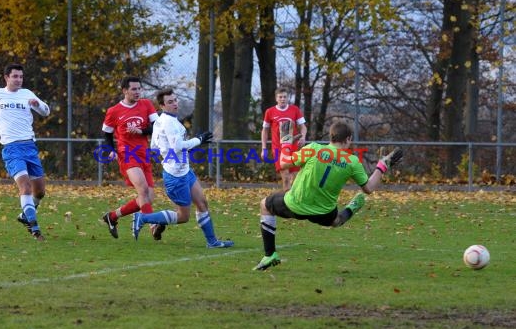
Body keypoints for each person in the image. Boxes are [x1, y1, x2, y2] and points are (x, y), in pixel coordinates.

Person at [253, 121, 403, 270]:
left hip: (296, 204)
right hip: (323, 212)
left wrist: (286, 143)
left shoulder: (313, 148)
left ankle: (270, 254)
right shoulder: (352, 162)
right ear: (348, 139)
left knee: (265, 205)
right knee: (336, 221)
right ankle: (351, 207)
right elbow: (368, 188)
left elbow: (284, 162)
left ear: (331, 137)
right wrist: (382, 166)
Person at [129, 88, 234, 248]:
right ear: (162, 106)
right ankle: (143, 218)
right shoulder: (169, 122)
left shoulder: (162, 120)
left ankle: (212, 242)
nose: (175, 104)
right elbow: (177, 146)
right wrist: (198, 140)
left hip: (184, 171)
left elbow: (155, 146)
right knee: (183, 216)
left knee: (202, 203)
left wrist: (172, 151)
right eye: (170, 102)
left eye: (175, 100)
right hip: (176, 176)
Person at [0, 63, 51, 241]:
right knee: (25, 186)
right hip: (11, 148)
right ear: (6, 78)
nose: (18, 80)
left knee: (39, 192)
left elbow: (46, 111)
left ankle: (24, 215)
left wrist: (38, 104)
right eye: (15, 76)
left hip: (29, 147)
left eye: (21, 77)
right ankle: (34, 227)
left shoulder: (27, 94)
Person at [101, 76, 161, 239]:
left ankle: (112, 216)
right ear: (124, 90)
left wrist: (141, 131)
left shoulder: (146, 105)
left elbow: (157, 127)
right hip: (127, 154)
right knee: (142, 190)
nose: (137, 92)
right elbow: (107, 134)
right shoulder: (114, 111)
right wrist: (111, 150)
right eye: (133, 89)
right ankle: (153, 224)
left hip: (143, 153)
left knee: (148, 197)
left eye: (139, 88)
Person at [261, 87, 307, 191]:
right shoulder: (270, 112)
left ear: (288, 98)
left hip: (293, 147)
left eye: (285, 97)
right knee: (285, 178)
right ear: (276, 98)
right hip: (278, 149)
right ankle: (286, 204)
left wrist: (303, 137)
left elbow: (303, 127)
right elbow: (264, 130)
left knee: (295, 178)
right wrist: (264, 148)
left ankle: (294, 202)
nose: (283, 99)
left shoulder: (294, 110)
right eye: (280, 97)